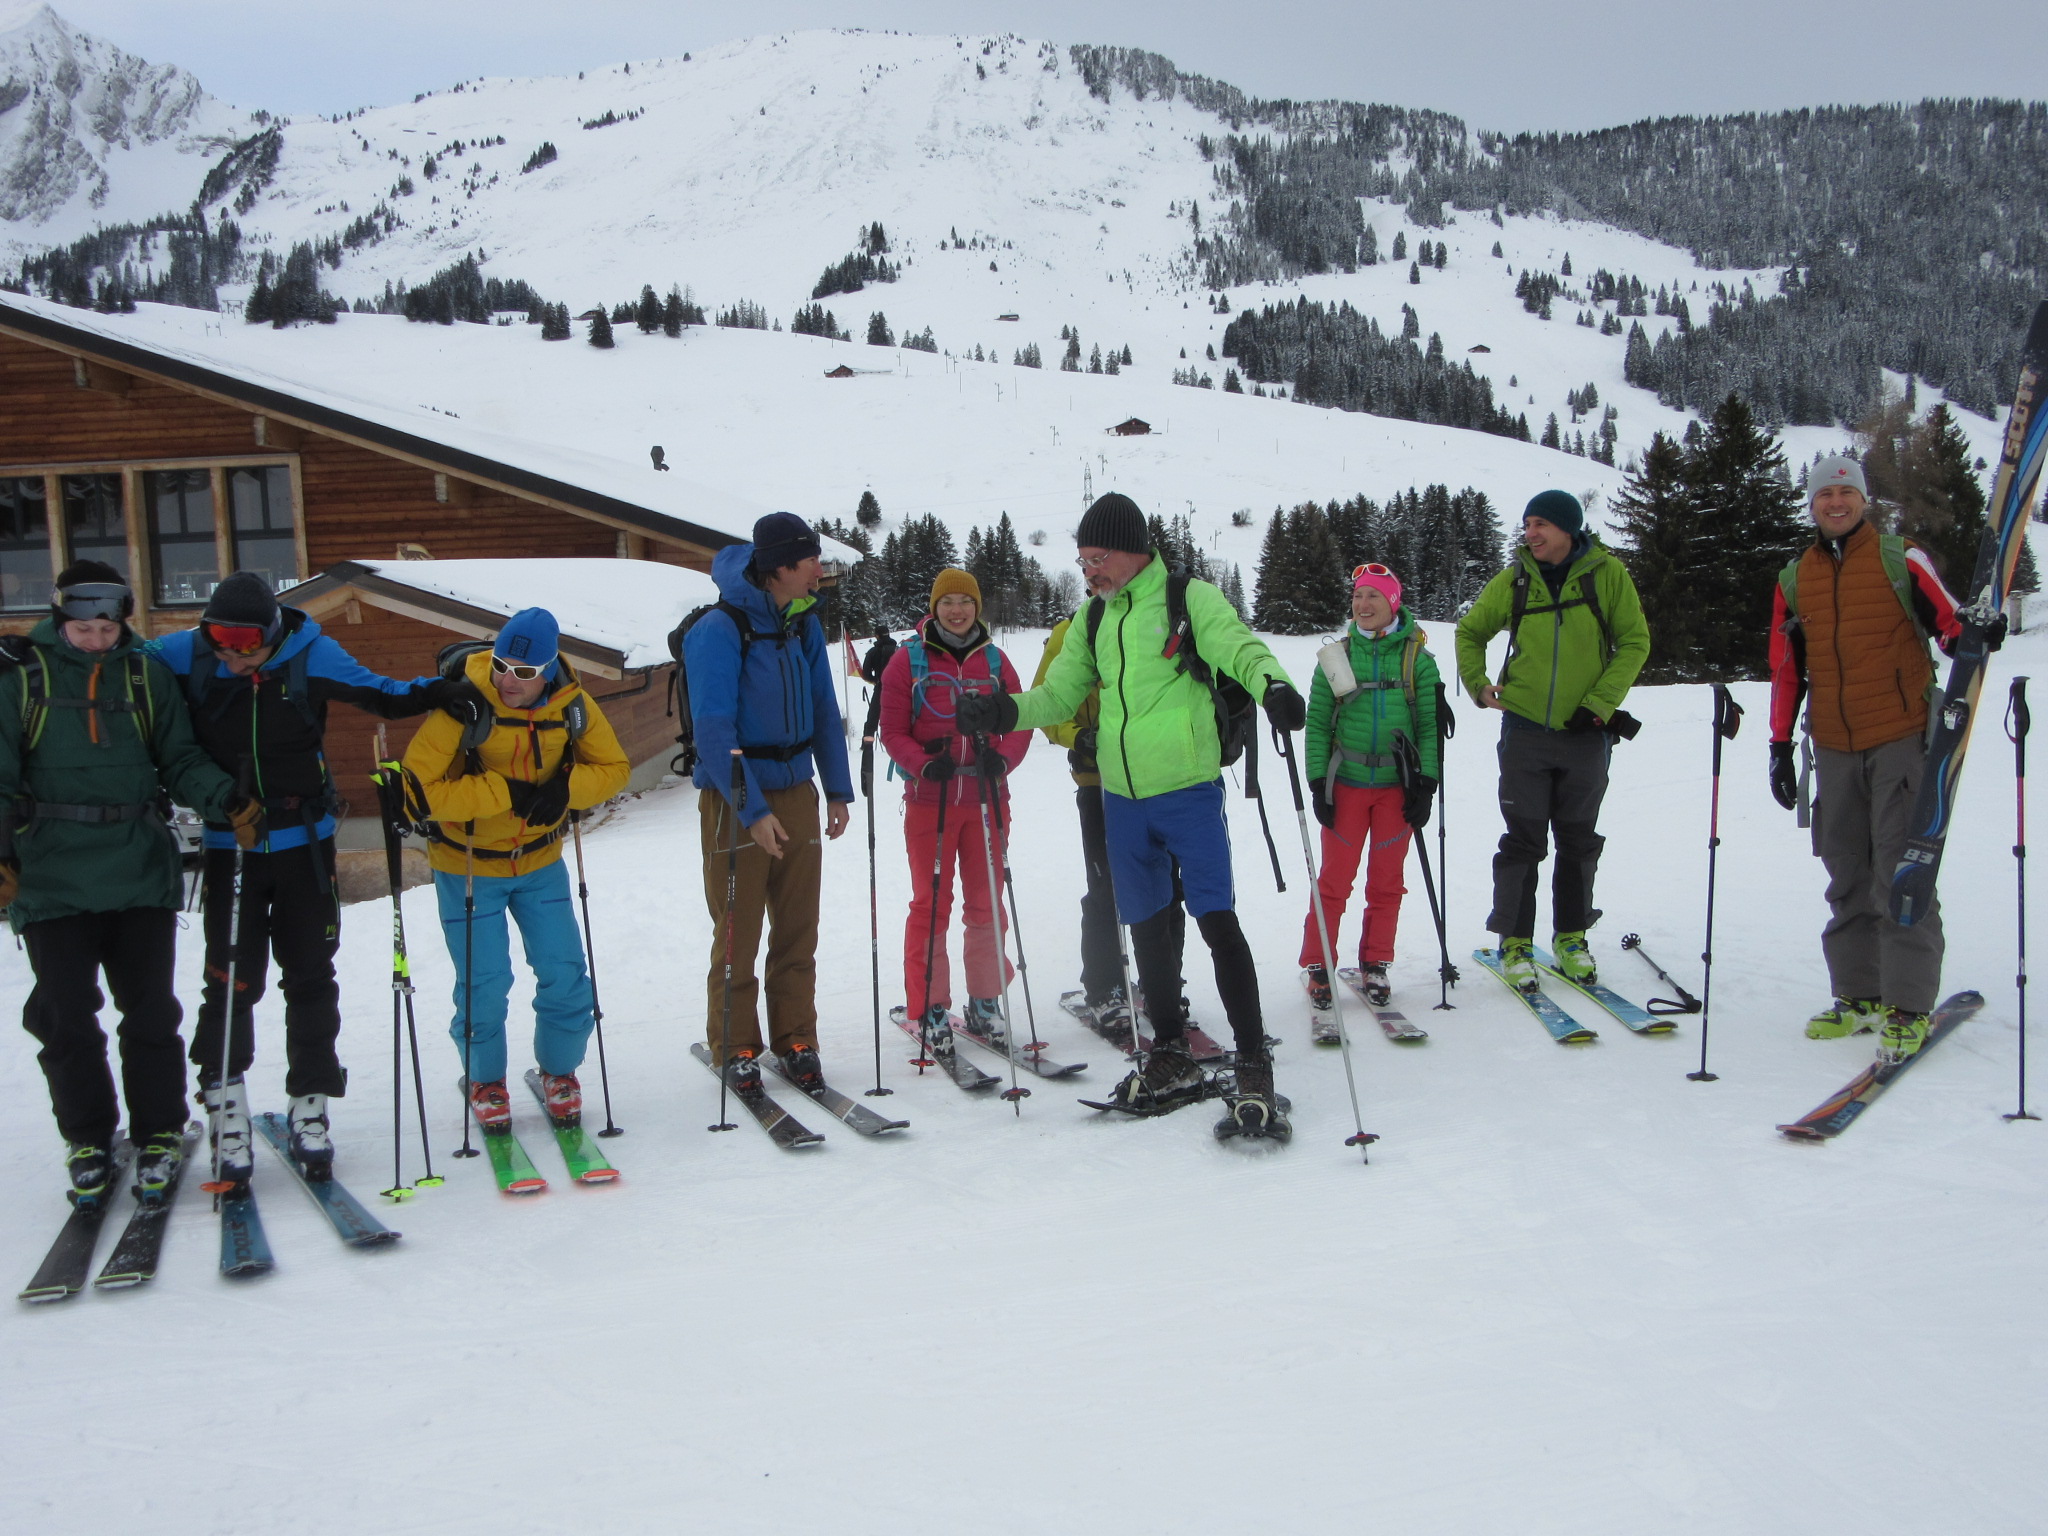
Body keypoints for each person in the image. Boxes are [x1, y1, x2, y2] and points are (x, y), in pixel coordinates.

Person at [956, 493, 1305, 1136]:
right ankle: (1170, 1049)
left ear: (1132, 549)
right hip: (1121, 798)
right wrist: (1005, 711)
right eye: (1083, 560)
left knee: (1216, 920)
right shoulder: (1093, 619)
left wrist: (1274, 685)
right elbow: (1059, 694)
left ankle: (1253, 1056)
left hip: (1189, 790)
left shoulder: (1187, 598)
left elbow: (1240, 649)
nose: (1090, 571)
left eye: (1098, 558)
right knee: (1145, 926)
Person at [148, 570, 462, 1182]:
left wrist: (442, 692)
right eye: (219, 640)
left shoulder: (310, 652)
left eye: (245, 644)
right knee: (231, 981)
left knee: (311, 976)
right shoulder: (183, 654)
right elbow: (110, 657)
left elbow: (383, 694)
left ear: (270, 633)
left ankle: (310, 1102)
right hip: (230, 846)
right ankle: (226, 1107)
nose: (231, 656)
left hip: (305, 847)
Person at [0, 563, 257, 1204]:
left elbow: (178, 757)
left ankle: (160, 1131)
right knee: (65, 1017)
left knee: (150, 1013)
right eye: (83, 629)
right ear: (61, 620)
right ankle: (87, 1137)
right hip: (52, 874)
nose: (96, 640)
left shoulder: (144, 675)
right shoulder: (22, 677)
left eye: (107, 629)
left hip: (139, 868)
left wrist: (225, 798)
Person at [1766, 454, 1984, 1062]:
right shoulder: (1794, 578)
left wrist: (1973, 634)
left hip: (1900, 739)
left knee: (1901, 873)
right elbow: (1786, 671)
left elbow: (1949, 626)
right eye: (1824, 495)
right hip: (1833, 746)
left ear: (1864, 501)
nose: (1836, 503)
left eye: (1846, 493)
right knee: (1847, 872)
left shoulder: (1900, 558)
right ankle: (1859, 995)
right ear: (1812, 504)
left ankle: (1907, 1006)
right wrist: (1780, 746)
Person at [401, 607, 629, 1128]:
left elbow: (614, 768)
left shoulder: (572, 704)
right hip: (467, 864)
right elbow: (416, 791)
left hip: (540, 861)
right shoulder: (463, 706)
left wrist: (563, 789)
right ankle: (485, 1080)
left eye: (524, 672)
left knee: (564, 973)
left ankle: (560, 1071)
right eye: (502, 665)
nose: (508, 680)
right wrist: (503, 792)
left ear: (548, 670)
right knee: (484, 981)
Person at [683, 513, 854, 1097]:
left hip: (797, 787)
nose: (819, 570)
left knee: (798, 926)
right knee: (739, 928)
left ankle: (795, 1037)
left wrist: (837, 790)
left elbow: (824, 709)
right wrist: (752, 811)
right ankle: (735, 1044)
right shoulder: (719, 629)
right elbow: (713, 729)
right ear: (779, 567)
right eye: (809, 561)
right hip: (735, 797)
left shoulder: (802, 624)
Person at [1455, 490, 1649, 989]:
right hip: (1524, 730)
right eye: (1527, 524)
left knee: (1578, 840)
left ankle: (1571, 938)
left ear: (1568, 527)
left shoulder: (1607, 575)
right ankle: (1516, 942)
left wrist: (1600, 703)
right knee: (1522, 841)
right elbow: (1470, 631)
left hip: (1587, 733)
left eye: (1540, 523)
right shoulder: (1515, 579)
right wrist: (1477, 684)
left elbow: (1634, 642)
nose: (1531, 533)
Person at [879, 569, 1030, 1051]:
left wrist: (1002, 759)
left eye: (966, 601)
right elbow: (892, 730)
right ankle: (929, 1005)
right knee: (931, 904)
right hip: (932, 801)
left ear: (977, 607)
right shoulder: (908, 661)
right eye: (948, 602)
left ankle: (985, 1000)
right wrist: (923, 764)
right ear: (935, 607)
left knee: (986, 902)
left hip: (987, 799)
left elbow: (1021, 719)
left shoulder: (995, 661)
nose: (957, 610)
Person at [1300, 562, 1441, 1009]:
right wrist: (1318, 781)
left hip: (1397, 790)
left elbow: (1429, 728)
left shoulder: (1417, 659)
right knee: (1334, 881)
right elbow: (1318, 724)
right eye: (1358, 595)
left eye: (1373, 596)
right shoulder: (1336, 657)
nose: (1363, 604)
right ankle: (1318, 963)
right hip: (1347, 786)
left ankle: (1375, 961)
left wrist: (1426, 785)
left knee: (1387, 882)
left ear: (1393, 602)